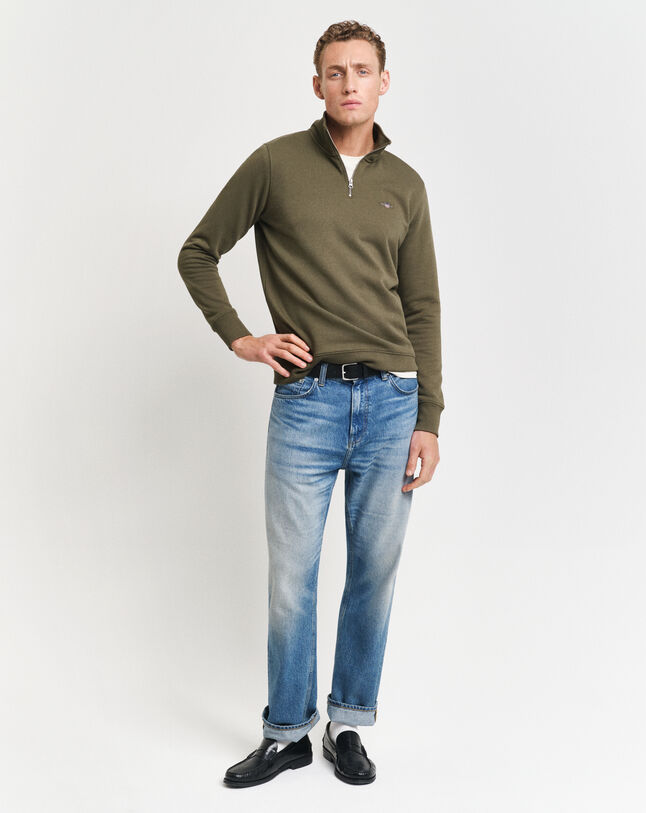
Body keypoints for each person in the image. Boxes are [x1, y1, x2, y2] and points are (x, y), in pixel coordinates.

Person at [177, 20, 444, 787]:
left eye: (362, 70)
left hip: (392, 402)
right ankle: (288, 731)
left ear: (383, 82)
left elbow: (422, 306)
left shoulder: (406, 185)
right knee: (292, 574)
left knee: (373, 571)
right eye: (335, 71)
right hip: (306, 401)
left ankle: (348, 723)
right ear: (317, 83)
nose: (349, 82)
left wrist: (429, 416)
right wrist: (241, 337)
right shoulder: (275, 165)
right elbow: (198, 251)